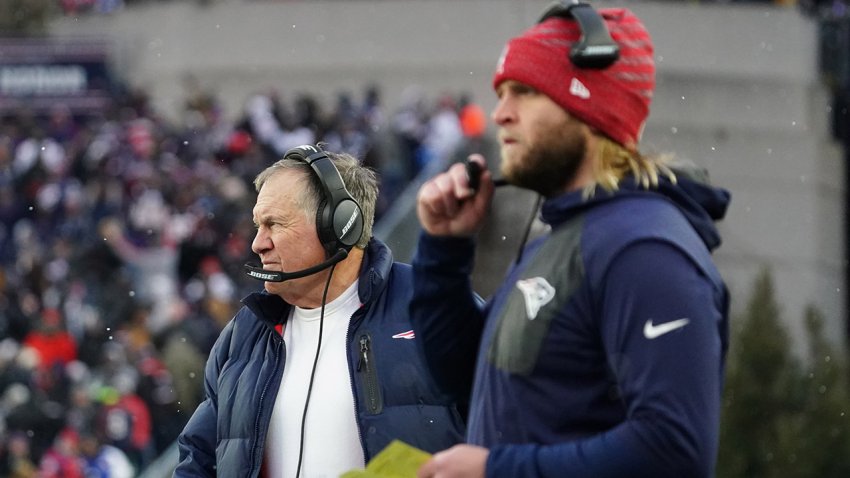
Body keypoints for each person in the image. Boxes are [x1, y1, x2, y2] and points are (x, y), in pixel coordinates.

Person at [411, 4, 731, 478]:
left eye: (524, 92)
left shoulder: (643, 248)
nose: (500, 114)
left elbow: (674, 450)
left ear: (589, 105)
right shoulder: (561, 239)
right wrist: (444, 250)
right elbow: (464, 381)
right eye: (501, 93)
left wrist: (497, 470)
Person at [174, 146, 464, 477]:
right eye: (258, 225)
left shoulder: (438, 309)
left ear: (339, 226)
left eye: (274, 224)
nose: (258, 243)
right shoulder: (244, 332)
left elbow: (507, 432)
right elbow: (199, 457)